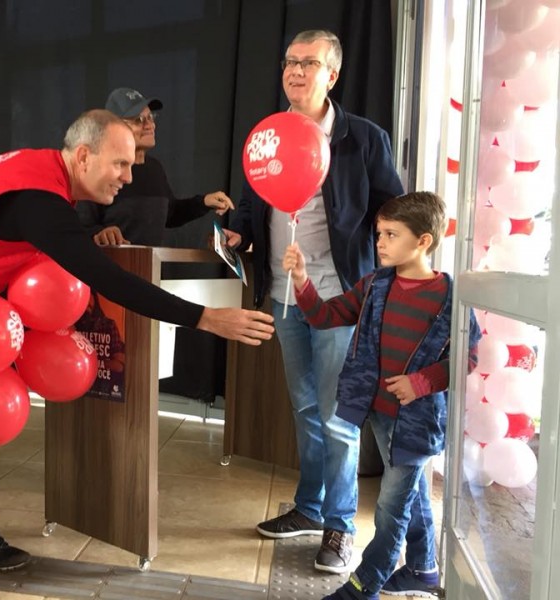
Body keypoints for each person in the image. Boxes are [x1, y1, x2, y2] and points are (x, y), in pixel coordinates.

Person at [0, 108, 274, 600]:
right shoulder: (39, 199)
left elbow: (58, 244)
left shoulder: (48, 179)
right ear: (83, 155)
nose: (127, 176)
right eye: (119, 164)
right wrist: (205, 317)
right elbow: (107, 279)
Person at [224, 29, 405, 572]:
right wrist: (238, 230)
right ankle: (309, 506)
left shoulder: (363, 139)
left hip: (341, 297)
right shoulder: (269, 136)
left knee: (336, 416)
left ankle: (340, 526)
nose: (296, 71)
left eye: (309, 63)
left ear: (333, 74)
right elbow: (260, 205)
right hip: (285, 297)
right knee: (304, 409)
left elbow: (393, 209)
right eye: (289, 62)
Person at [282, 192, 481, 600]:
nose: (381, 243)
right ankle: (424, 570)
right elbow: (325, 316)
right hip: (378, 414)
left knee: (391, 508)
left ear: (423, 241)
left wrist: (421, 382)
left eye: (391, 234)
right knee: (412, 491)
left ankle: (363, 584)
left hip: (418, 420)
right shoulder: (374, 285)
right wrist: (302, 282)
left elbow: (468, 357)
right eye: (379, 234)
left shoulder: (450, 298)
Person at [76, 87, 234, 246]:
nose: (150, 125)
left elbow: (170, 214)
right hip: (107, 268)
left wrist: (204, 202)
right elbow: (79, 227)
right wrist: (100, 233)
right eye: (139, 119)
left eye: (150, 117)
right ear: (113, 128)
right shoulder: (99, 170)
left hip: (148, 269)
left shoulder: (154, 168)